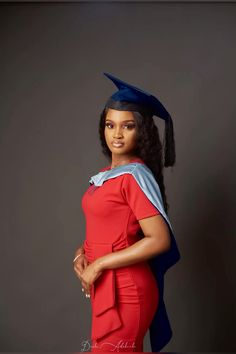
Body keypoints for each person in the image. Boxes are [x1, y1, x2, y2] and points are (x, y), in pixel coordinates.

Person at [73, 72, 181, 352]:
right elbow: (105, 228)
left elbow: (159, 240)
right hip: (106, 286)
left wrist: (98, 264)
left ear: (141, 131)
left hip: (127, 290)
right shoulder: (105, 176)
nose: (117, 134)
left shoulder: (134, 176)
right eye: (110, 125)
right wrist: (81, 254)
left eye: (128, 126)